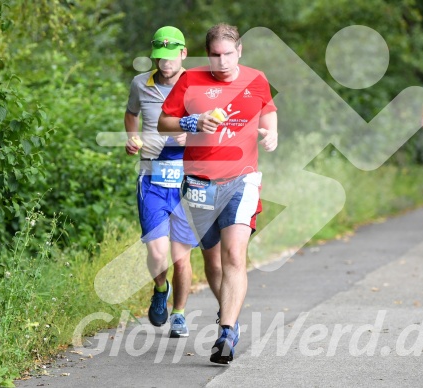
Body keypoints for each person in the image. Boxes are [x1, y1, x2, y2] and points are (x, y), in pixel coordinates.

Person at [158, 23, 278, 364]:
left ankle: (226, 331)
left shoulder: (256, 79)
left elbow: (268, 110)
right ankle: (231, 315)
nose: (221, 61)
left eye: (227, 54)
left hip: (242, 180)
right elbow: (163, 122)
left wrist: (271, 134)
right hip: (199, 183)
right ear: (206, 54)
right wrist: (191, 122)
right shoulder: (190, 80)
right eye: (214, 55)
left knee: (235, 256)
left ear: (239, 51)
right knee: (212, 261)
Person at [124, 26, 198, 337]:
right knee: (157, 252)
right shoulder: (141, 83)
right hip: (151, 175)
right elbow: (131, 114)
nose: (165, 63)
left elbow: (216, 124)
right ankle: (160, 287)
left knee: (181, 257)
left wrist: (191, 133)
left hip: (187, 177)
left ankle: (179, 314)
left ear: (183, 53)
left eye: (171, 57)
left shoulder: (198, 86)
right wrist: (132, 136)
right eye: (159, 57)